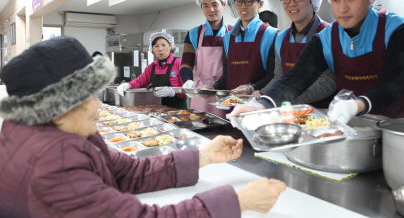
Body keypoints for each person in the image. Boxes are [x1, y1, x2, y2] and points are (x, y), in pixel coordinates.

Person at [0, 36, 286, 217]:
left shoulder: (66, 133)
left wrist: (204, 156)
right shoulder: (53, 164)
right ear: (57, 109)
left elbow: (128, 173)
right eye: (89, 97)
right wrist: (238, 202)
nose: (99, 106)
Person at [232, 0, 404, 123]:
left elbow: (394, 83)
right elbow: (296, 77)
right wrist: (262, 104)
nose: (342, 8)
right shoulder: (327, 37)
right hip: (351, 124)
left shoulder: (394, 29)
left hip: (395, 126)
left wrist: (357, 104)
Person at [252, 0, 337, 108]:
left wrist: (280, 98)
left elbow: (327, 82)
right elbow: (279, 77)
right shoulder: (281, 38)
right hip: (288, 113)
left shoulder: (329, 34)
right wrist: (261, 94)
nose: (291, 3)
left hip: (321, 114)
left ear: (313, 0)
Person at [209, 0, 279, 95]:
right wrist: (212, 87)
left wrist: (252, 88)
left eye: (249, 1)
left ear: (261, 3)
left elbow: (274, 75)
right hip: (231, 105)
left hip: (259, 105)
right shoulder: (228, 38)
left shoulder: (272, 35)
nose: (243, 6)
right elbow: (227, 75)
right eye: (239, 1)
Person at [180, 0, 232, 117]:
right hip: (200, 92)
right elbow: (186, 62)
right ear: (201, 7)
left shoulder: (233, 32)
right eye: (206, 5)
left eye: (215, 4)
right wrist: (187, 79)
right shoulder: (193, 34)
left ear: (224, 4)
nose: (211, 9)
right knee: (200, 125)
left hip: (224, 91)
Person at [117, 32, 188, 109]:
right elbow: (140, 81)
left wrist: (173, 92)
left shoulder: (179, 63)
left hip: (178, 111)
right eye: (156, 46)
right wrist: (128, 85)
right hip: (158, 111)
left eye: (163, 45)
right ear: (153, 49)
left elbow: (187, 88)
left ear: (170, 45)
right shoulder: (152, 67)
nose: (160, 49)